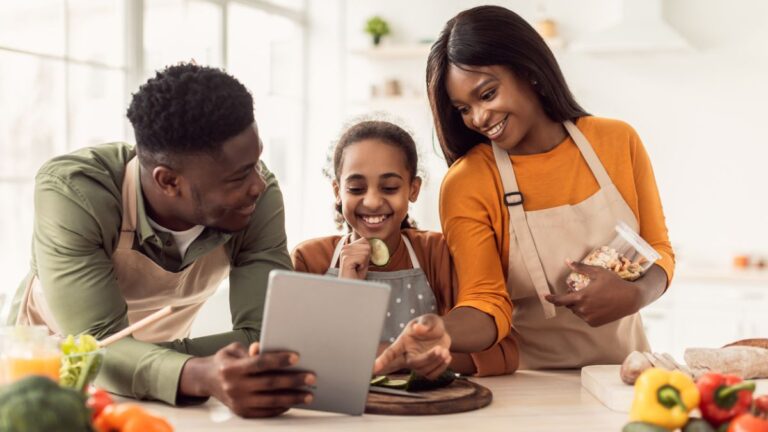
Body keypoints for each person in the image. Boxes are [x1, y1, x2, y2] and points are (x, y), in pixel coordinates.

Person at [8, 63, 312, 417]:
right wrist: (194, 371)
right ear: (168, 181)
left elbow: (265, 337)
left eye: (257, 162)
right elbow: (94, 346)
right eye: (240, 175)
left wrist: (159, 367)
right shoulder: (74, 192)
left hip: (165, 391)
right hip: (40, 382)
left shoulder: (255, 198)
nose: (258, 184)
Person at [427, 6, 674, 368]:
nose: (478, 118)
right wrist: (440, 332)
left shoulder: (616, 141)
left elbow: (657, 249)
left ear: (529, 72)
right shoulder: (468, 181)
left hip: (627, 374)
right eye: (463, 109)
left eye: (488, 94)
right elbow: (486, 300)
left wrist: (634, 296)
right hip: (527, 383)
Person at [292, 120, 518, 378]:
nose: (373, 201)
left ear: (413, 189)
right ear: (337, 191)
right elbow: (299, 359)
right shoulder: (309, 260)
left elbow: (497, 352)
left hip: (428, 412)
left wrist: (391, 357)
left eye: (389, 188)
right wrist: (348, 292)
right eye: (356, 188)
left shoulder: (438, 253)